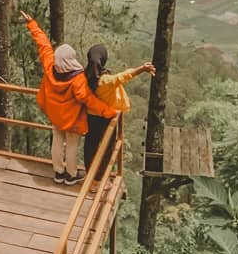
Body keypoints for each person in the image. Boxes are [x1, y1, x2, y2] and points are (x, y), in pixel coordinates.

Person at [21, 12, 117, 185]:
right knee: (72, 145)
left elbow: (44, 45)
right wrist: (109, 112)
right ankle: (71, 176)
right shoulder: (77, 79)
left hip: (56, 115)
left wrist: (32, 24)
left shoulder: (50, 66)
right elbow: (88, 99)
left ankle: (58, 172)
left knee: (57, 141)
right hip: (72, 119)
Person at [83, 45, 156, 175]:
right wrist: (142, 68)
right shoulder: (105, 80)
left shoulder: (85, 75)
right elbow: (123, 76)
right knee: (107, 149)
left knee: (90, 147)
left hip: (90, 116)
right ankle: (98, 179)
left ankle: (89, 174)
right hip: (107, 118)